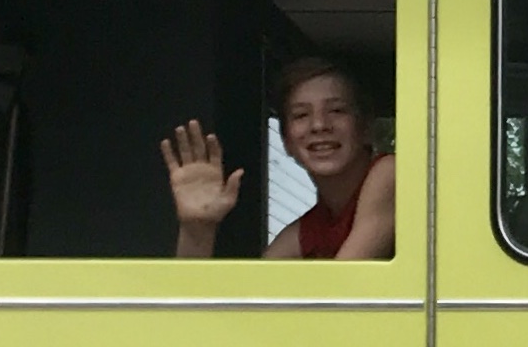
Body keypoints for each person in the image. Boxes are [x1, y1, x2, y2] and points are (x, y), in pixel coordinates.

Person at [162, 58, 395, 261]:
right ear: (286, 142)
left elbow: (342, 288)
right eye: (301, 115)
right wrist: (197, 229)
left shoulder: (389, 173)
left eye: (337, 110)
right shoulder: (307, 231)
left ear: (366, 128)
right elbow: (238, 301)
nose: (319, 125)